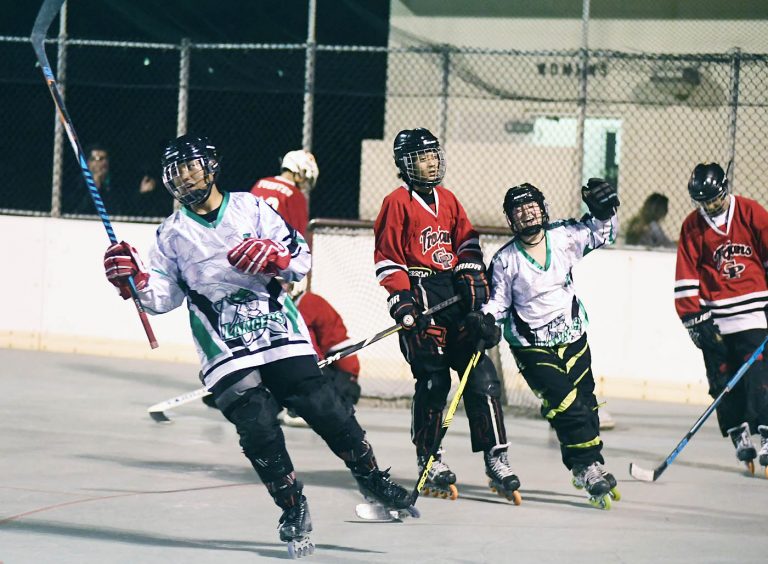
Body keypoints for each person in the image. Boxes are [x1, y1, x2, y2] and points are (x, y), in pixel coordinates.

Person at [102, 134, 412, 556]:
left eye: (191, 166)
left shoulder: (251, 207)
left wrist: (275, 258)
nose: (185, 176)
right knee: (257, 425)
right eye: (175, 171)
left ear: (211, 166)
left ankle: (373, 477)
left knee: (323, 406)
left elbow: (300, 259)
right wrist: (132, 281)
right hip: (223, 343)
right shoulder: (170, 234)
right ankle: (291, 505)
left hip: (278, 332)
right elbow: (162, 298)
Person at [373, 127, 520, 503]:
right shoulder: (396, 203)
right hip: (422, 302)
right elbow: (389, 258)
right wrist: (402, 302)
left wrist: (472, 280)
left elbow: (467, 243)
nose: (432, 162)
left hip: (453, 297)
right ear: (406, 165)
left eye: (434, 155)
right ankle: (430, 457)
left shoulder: (449, 199)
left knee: (481, 376)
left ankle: (496, 456)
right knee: (434, 383)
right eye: (423, 157)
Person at [482, 180, 622, 509]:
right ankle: (587, 466)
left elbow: (603, 233)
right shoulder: (505, 261)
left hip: (573, 335)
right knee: (565, 403)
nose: (527, 216)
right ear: (510, 220)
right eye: (519, 211)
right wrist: (486, 320)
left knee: (586, 403)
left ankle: (586, 463)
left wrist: (604, 211)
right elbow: (497, 303)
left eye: (532, 208)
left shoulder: (563, 236)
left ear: (543, 210)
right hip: (532, 346)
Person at [674, 162, 768, 474]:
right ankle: (739, 432)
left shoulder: (750, 212)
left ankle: (767, 433)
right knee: (722, 381)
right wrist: (693, 319)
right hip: (715, 318)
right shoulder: (692, 226)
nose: (710, 206)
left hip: (754, 314)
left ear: (724, 189)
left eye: (714, 199)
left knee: (760, 378)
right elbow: (686, 275)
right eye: (703, 202)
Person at [277, 279, 362, 427]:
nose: (279, 287)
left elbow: (336, 340)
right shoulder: (256, 306)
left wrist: (349, 377)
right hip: (275, 371)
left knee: (343, 386)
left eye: (282, 282)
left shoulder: (310, 303)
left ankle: (309, 407)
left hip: (308, 371)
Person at [67, 143, 169, 217]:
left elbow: (125, 209)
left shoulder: (117, 181)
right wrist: (95, 189)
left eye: (106, 158)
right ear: (89, 163)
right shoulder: (78, 183)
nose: (104, 163)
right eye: (99, 159)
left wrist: (141, 193)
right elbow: (77, 211)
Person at [250, 150, 318, 236]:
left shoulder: (260, 183)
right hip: (274, 244)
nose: (304, 183)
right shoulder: (296, 195)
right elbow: (298, 236)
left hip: (248, 240)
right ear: (300, 172)